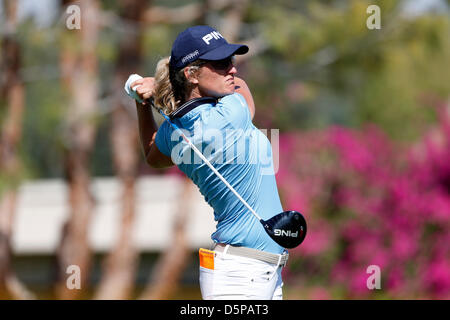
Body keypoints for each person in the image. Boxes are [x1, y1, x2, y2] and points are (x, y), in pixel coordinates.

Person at [126, 25, 289, 300]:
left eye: (232, 61)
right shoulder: (231, 111)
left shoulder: (173, 131)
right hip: (240, 274)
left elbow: (152, 154)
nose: (233, 70)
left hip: (254, 270)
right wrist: (157, 89)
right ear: (191, 74)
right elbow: (244, 91)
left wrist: (142, 102)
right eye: (222, 63)